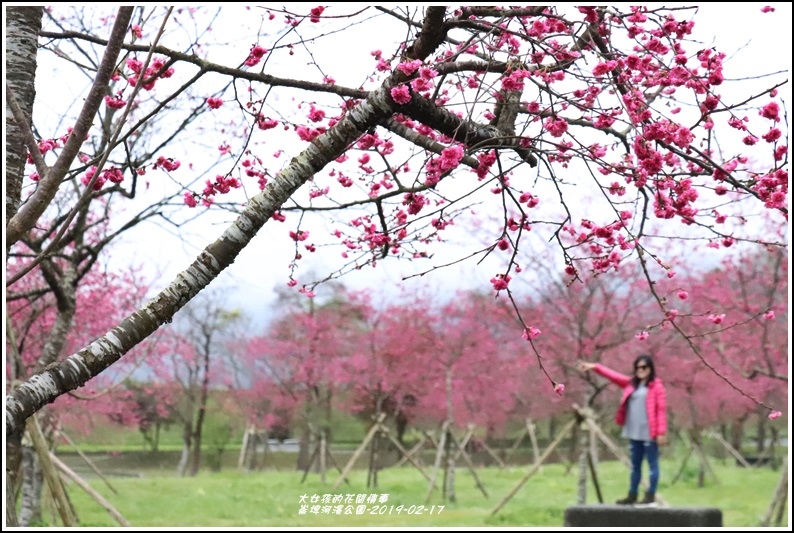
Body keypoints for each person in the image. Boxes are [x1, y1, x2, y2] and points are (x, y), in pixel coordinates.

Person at [578, 355, 668, 505]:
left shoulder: (656, 386)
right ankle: (632, 494)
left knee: (652, 465)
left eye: (644, 367)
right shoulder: (631, 384)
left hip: (650, 433)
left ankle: (650, 495)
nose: (640, 370)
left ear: (651, 368)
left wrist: (661, 432)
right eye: (638, 367)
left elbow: (661, 410)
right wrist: (596, 367)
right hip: (634, 432)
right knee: (635, 466)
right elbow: (613, 376)